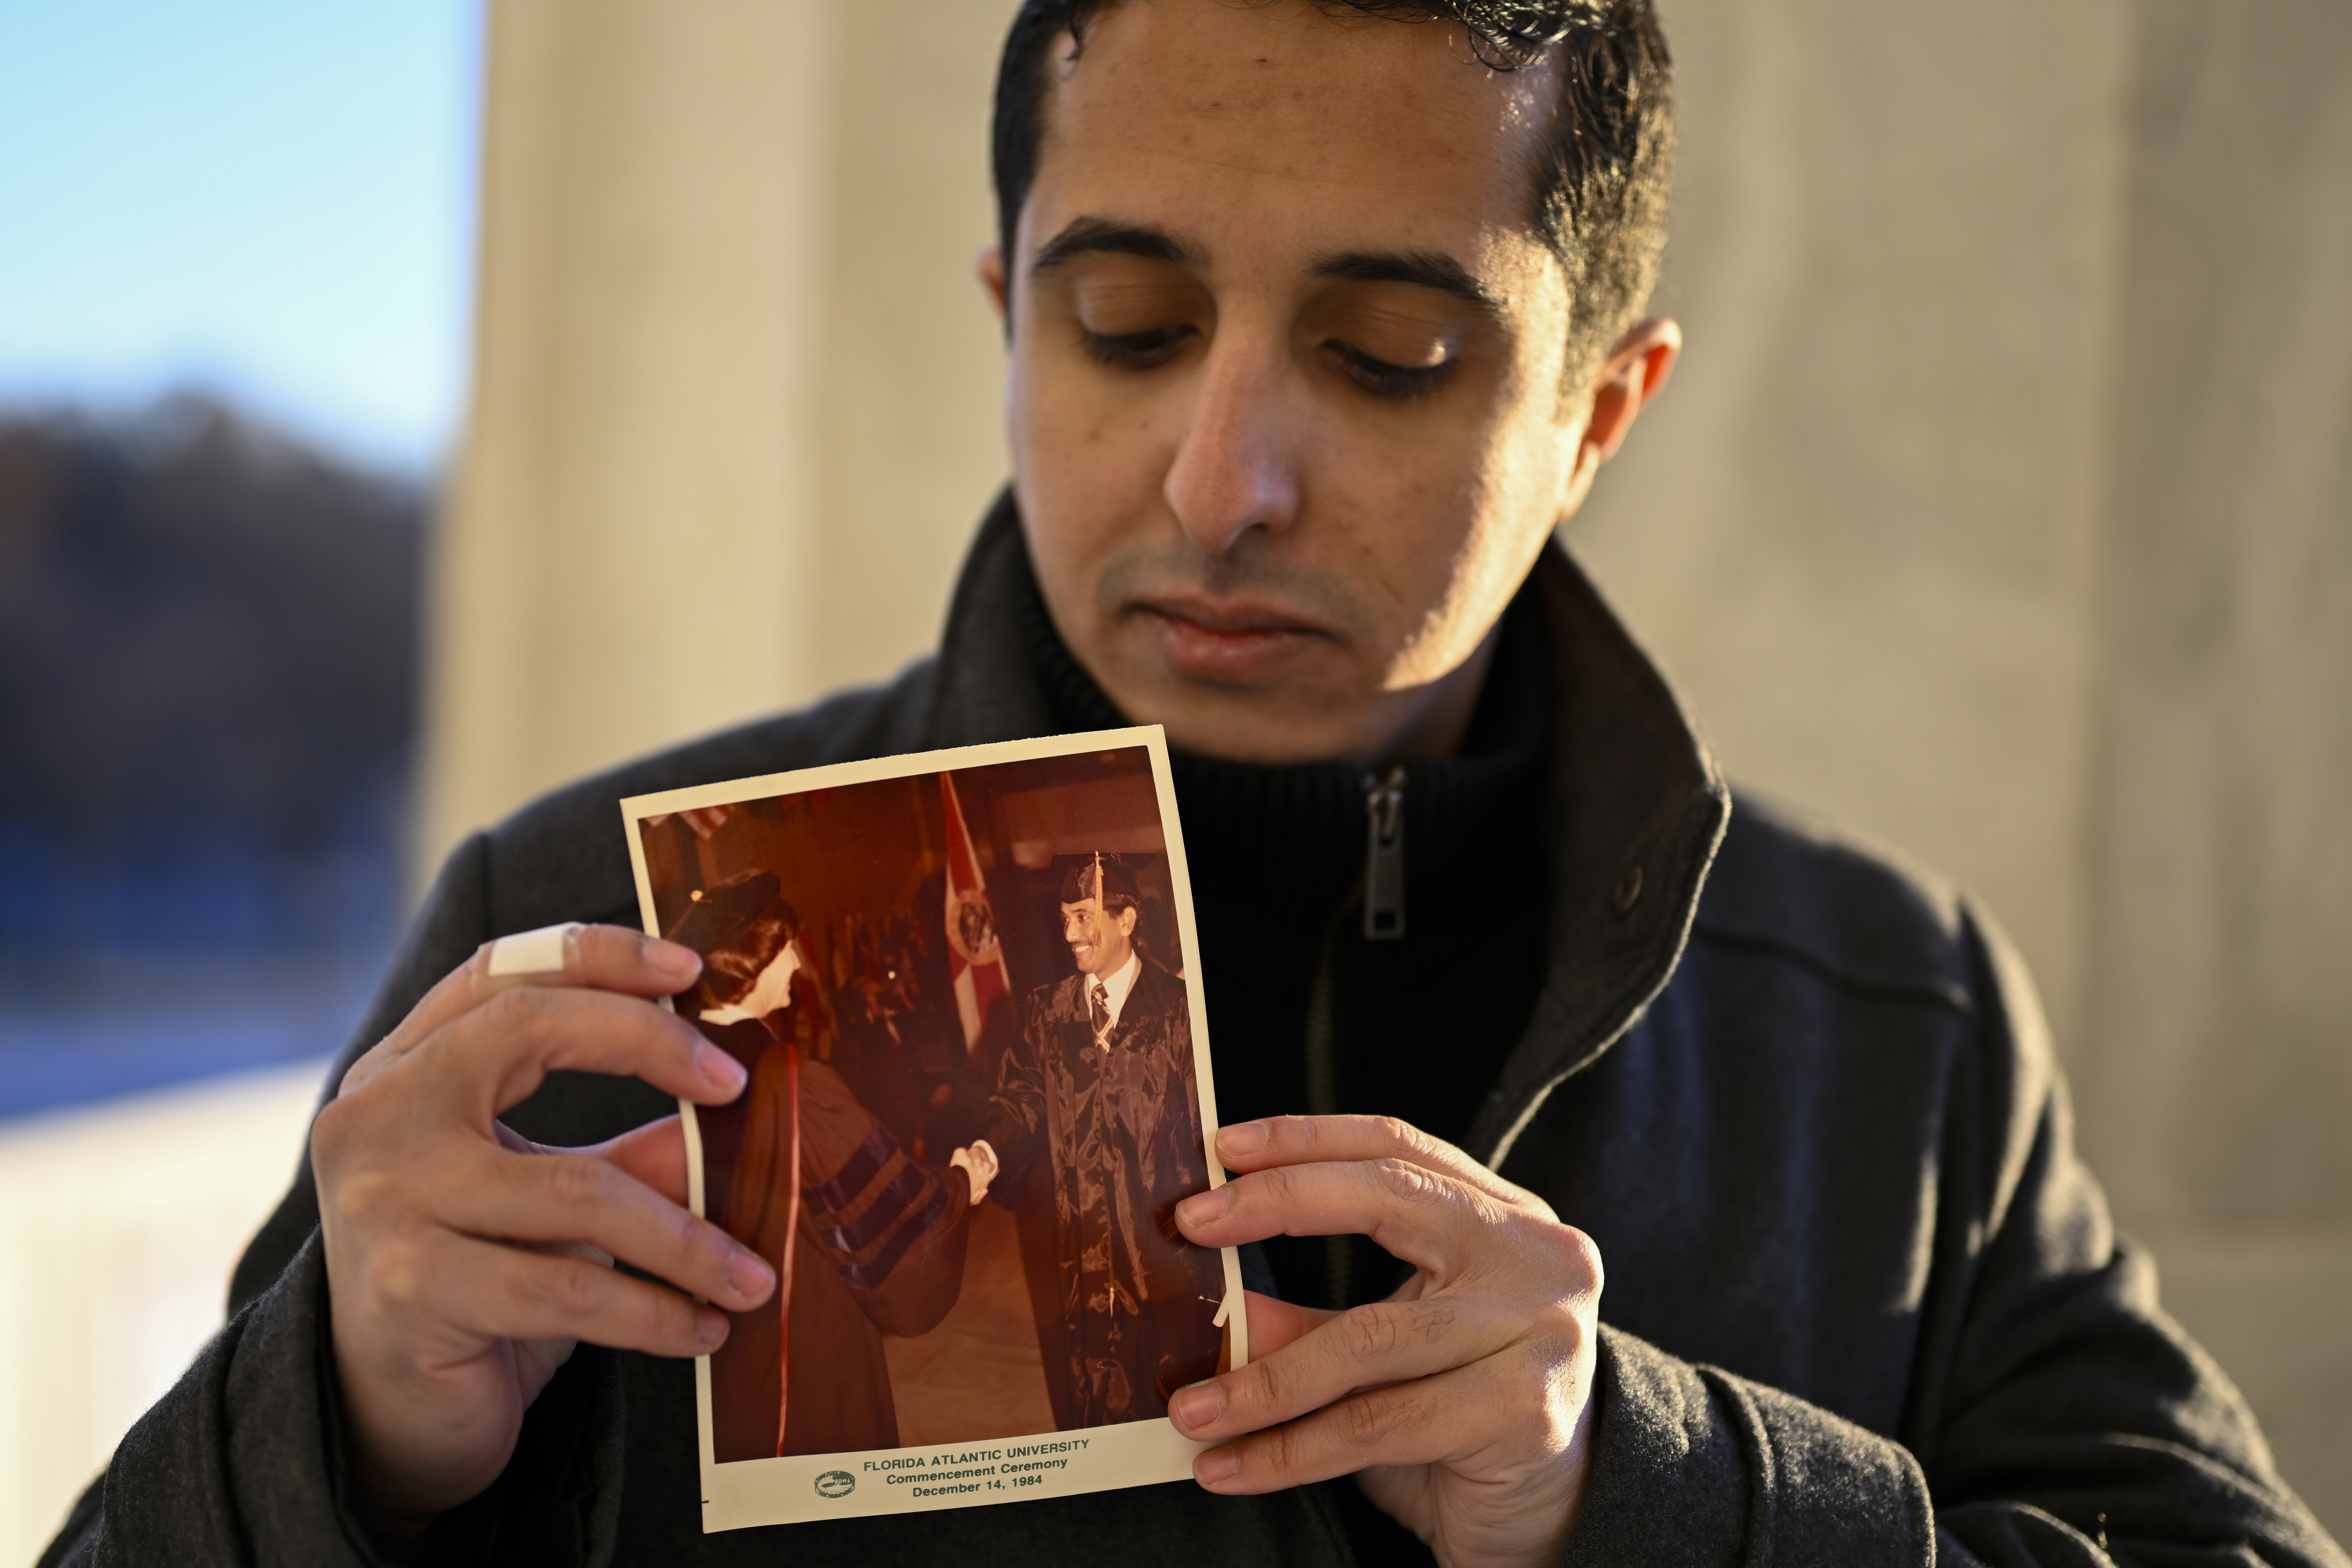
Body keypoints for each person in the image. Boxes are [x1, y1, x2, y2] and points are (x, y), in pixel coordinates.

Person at [40, 1, 2348, 1564]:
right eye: (1125, 324)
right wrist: (343, 1429)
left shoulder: (1882, 1011)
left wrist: (1639, 1489)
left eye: (1388, 353)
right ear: (1004, 306)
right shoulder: (574, 926)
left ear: (1595, 415)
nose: (1224, 473)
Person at [665, 870, 998, 1461]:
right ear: (757, 961)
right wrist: (960, 1182)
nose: (798, 962)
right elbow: (888, 1209)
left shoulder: (669, 1062)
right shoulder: (788, 1082)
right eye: (788, 948)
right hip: (801, 1335)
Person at [976, 855, 1227, 1429]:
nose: (1069, 934)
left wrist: (1230, 1260)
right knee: (1097, 1398)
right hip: (1085, 1255)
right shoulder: (1049, 1011)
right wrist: (987, 1151)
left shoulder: (1179, 1011)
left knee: (1173, 1398)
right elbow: (1021, 1096)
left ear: (1127, 919)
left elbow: (1209, 1137)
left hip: (1164, 1258)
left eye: (1084, 917)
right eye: (1064, 917)